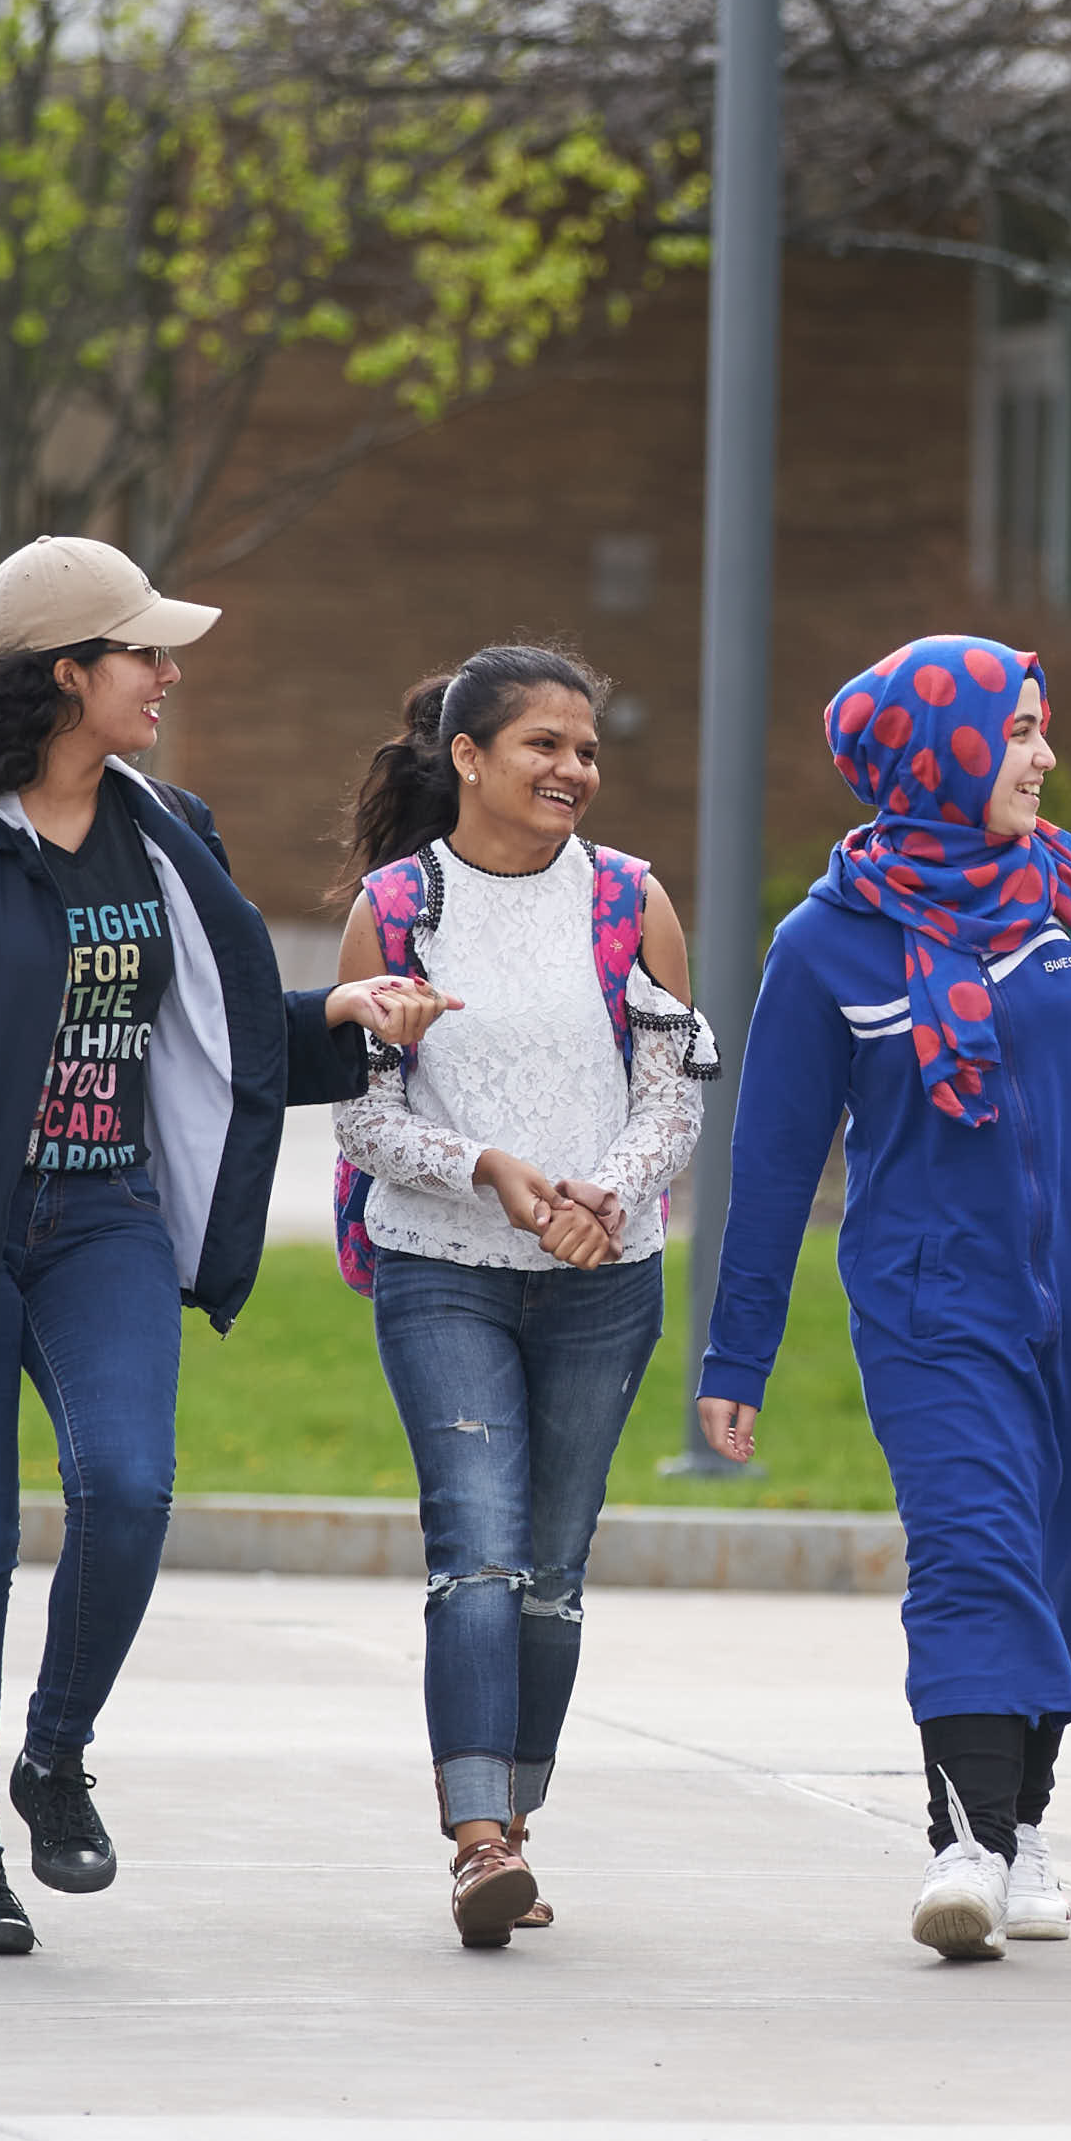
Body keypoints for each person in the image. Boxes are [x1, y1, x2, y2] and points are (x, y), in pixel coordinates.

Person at [0, 536, 448, 1957]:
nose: (169, 674)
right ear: (68, 676)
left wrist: (344, 1017)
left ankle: (54, 1756)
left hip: (103, 1216)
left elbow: (221, 1038)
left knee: (127, 1488)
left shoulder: (166, 827)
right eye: (143, 654)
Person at [686, 636, 1071, 1963]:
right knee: (973, 1549)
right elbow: (773, 1163)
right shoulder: (827, 940)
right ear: (937, 746)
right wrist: (737, 1356)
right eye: (1017, 730)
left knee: (1067, 1569)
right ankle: (966, 1843)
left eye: (1041, 727)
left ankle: (1023, 1828)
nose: (1044, 755)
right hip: (931, 1298)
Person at [330, 644, 709, 1951]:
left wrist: (608, 1191)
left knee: (550, 1575)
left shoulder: (629, 902)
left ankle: (517, 1822)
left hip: (605, 1288)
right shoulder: (397, 909)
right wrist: (482, 1168)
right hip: (445, 1278)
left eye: (588, 749)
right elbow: (362, 1121)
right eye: (545, 745)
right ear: (469, 758)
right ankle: (476, 1837)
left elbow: (674, 1094)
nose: (574, 770)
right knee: (476, 1555)